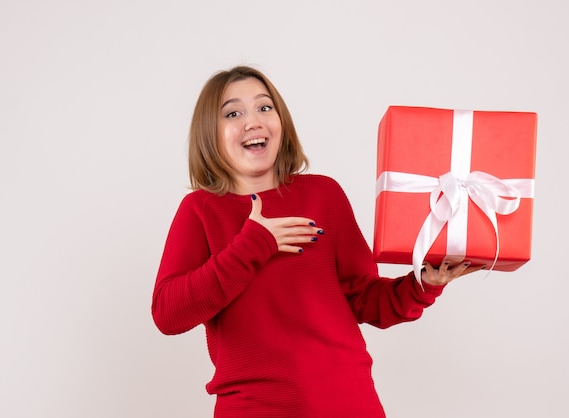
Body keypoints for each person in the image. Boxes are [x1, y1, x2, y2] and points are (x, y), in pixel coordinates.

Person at [151, 65, 483, 417]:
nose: (253, 121)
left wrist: (422, 285)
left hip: (349, 403)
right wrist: (252, 245)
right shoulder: (200, 210)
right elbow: (168, 314)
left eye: (265, 107)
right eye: (233, 113)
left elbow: (365, 299)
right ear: (210, 135)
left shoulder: (324, 194)